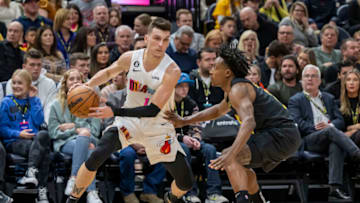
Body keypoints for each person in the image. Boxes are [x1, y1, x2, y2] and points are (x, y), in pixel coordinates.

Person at [65, 17, 195, 203]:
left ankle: (169, 199)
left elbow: (151, 110)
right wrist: (86, 85)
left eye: (166, 39)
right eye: (157, 38)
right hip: (129, 122)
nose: (161, 44)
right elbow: (109, 72)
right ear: (147, 38)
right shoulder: (131, 57)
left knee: (186, 182)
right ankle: (72, 199)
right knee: (96, 156)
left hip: (157, 127)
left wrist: (114, 112)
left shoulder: (171, 70)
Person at [165, 45, 301, 203]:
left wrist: (232, 153)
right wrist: (184, 120)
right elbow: (217, 111)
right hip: (280, 134)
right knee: (241, 166)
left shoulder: (239, 89)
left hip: (282, 134)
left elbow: (249, 122)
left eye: (215, 67)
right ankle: (257, 199)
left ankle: (243, 200)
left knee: (232, 157)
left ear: (227, 72)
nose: (211, 70)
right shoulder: (232, 90)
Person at [288, 64, 360, 201]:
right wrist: (316, 127)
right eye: (306, 76)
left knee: (336, 143)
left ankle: (334, 188)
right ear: (301, 80)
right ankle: (356, 154)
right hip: (310, 139)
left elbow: (340, 120)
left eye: (313, 76)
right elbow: (297, 123)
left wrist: (330, 125)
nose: (310, 79)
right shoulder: (295, 100)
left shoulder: (328, 98)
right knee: (331, 132)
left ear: (320, 81)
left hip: (330, 136)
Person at [48, 69, 102, 203]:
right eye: (71, 79)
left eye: (78, 79)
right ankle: (91, 191)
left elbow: (95, 130)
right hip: (65, 143)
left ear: (83, 83)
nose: (75, 82)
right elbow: (53, 132)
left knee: (86, 139)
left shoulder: (91, 103)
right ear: (65, 83)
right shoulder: (56, 104)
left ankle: (73, 179)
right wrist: (76, 130)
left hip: (88, 139)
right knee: (89, 147)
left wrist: (73, 127)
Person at [174, 73, 229, 203]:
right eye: (181, 86)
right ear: (172, 87)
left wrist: (196, 139)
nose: (184, 89)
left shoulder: (191, 103)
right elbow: (163, 130)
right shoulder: (165, 105)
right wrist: (183, 138)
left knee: (209, 149)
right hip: (171, 141)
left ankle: (213, 193)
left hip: (189, 140)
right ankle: (189, 193)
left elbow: (196, 127)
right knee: (183, 150)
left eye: (186, 86)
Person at [0, 69, 51, 203]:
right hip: (14, 141)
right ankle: (41, 189)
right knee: (45, 152)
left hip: (34, 141)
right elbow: (2, 129)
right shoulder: (6, 102)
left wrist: (33, 99)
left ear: (28, 86)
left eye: (20, 83)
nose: (16, 86)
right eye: (14, 83)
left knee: (44, 135)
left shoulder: (34, 101)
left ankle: (31, 171)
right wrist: (19, 134)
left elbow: (40, 122)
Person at [339, 69, 360, 146]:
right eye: (348, 80)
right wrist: (357, 126)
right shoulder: (337, 103)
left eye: (355, 80)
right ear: (345, 83)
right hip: (345, 139)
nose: (351, 83)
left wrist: (351, 129)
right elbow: (340, 127)